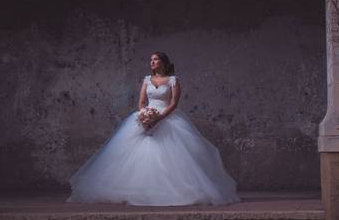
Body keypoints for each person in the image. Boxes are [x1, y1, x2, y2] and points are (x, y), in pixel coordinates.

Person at [67, 52, 240, 206]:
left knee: (175, 155)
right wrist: (144, 116)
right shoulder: (146, 80)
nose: (152, 62)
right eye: (151, 60)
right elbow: (142, 102)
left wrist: (159, 118)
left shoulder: (173, 80)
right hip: (146, 116)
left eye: (155, 59)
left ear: (163, 63)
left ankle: (173, 191)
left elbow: (173, 104)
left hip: (167, 118)